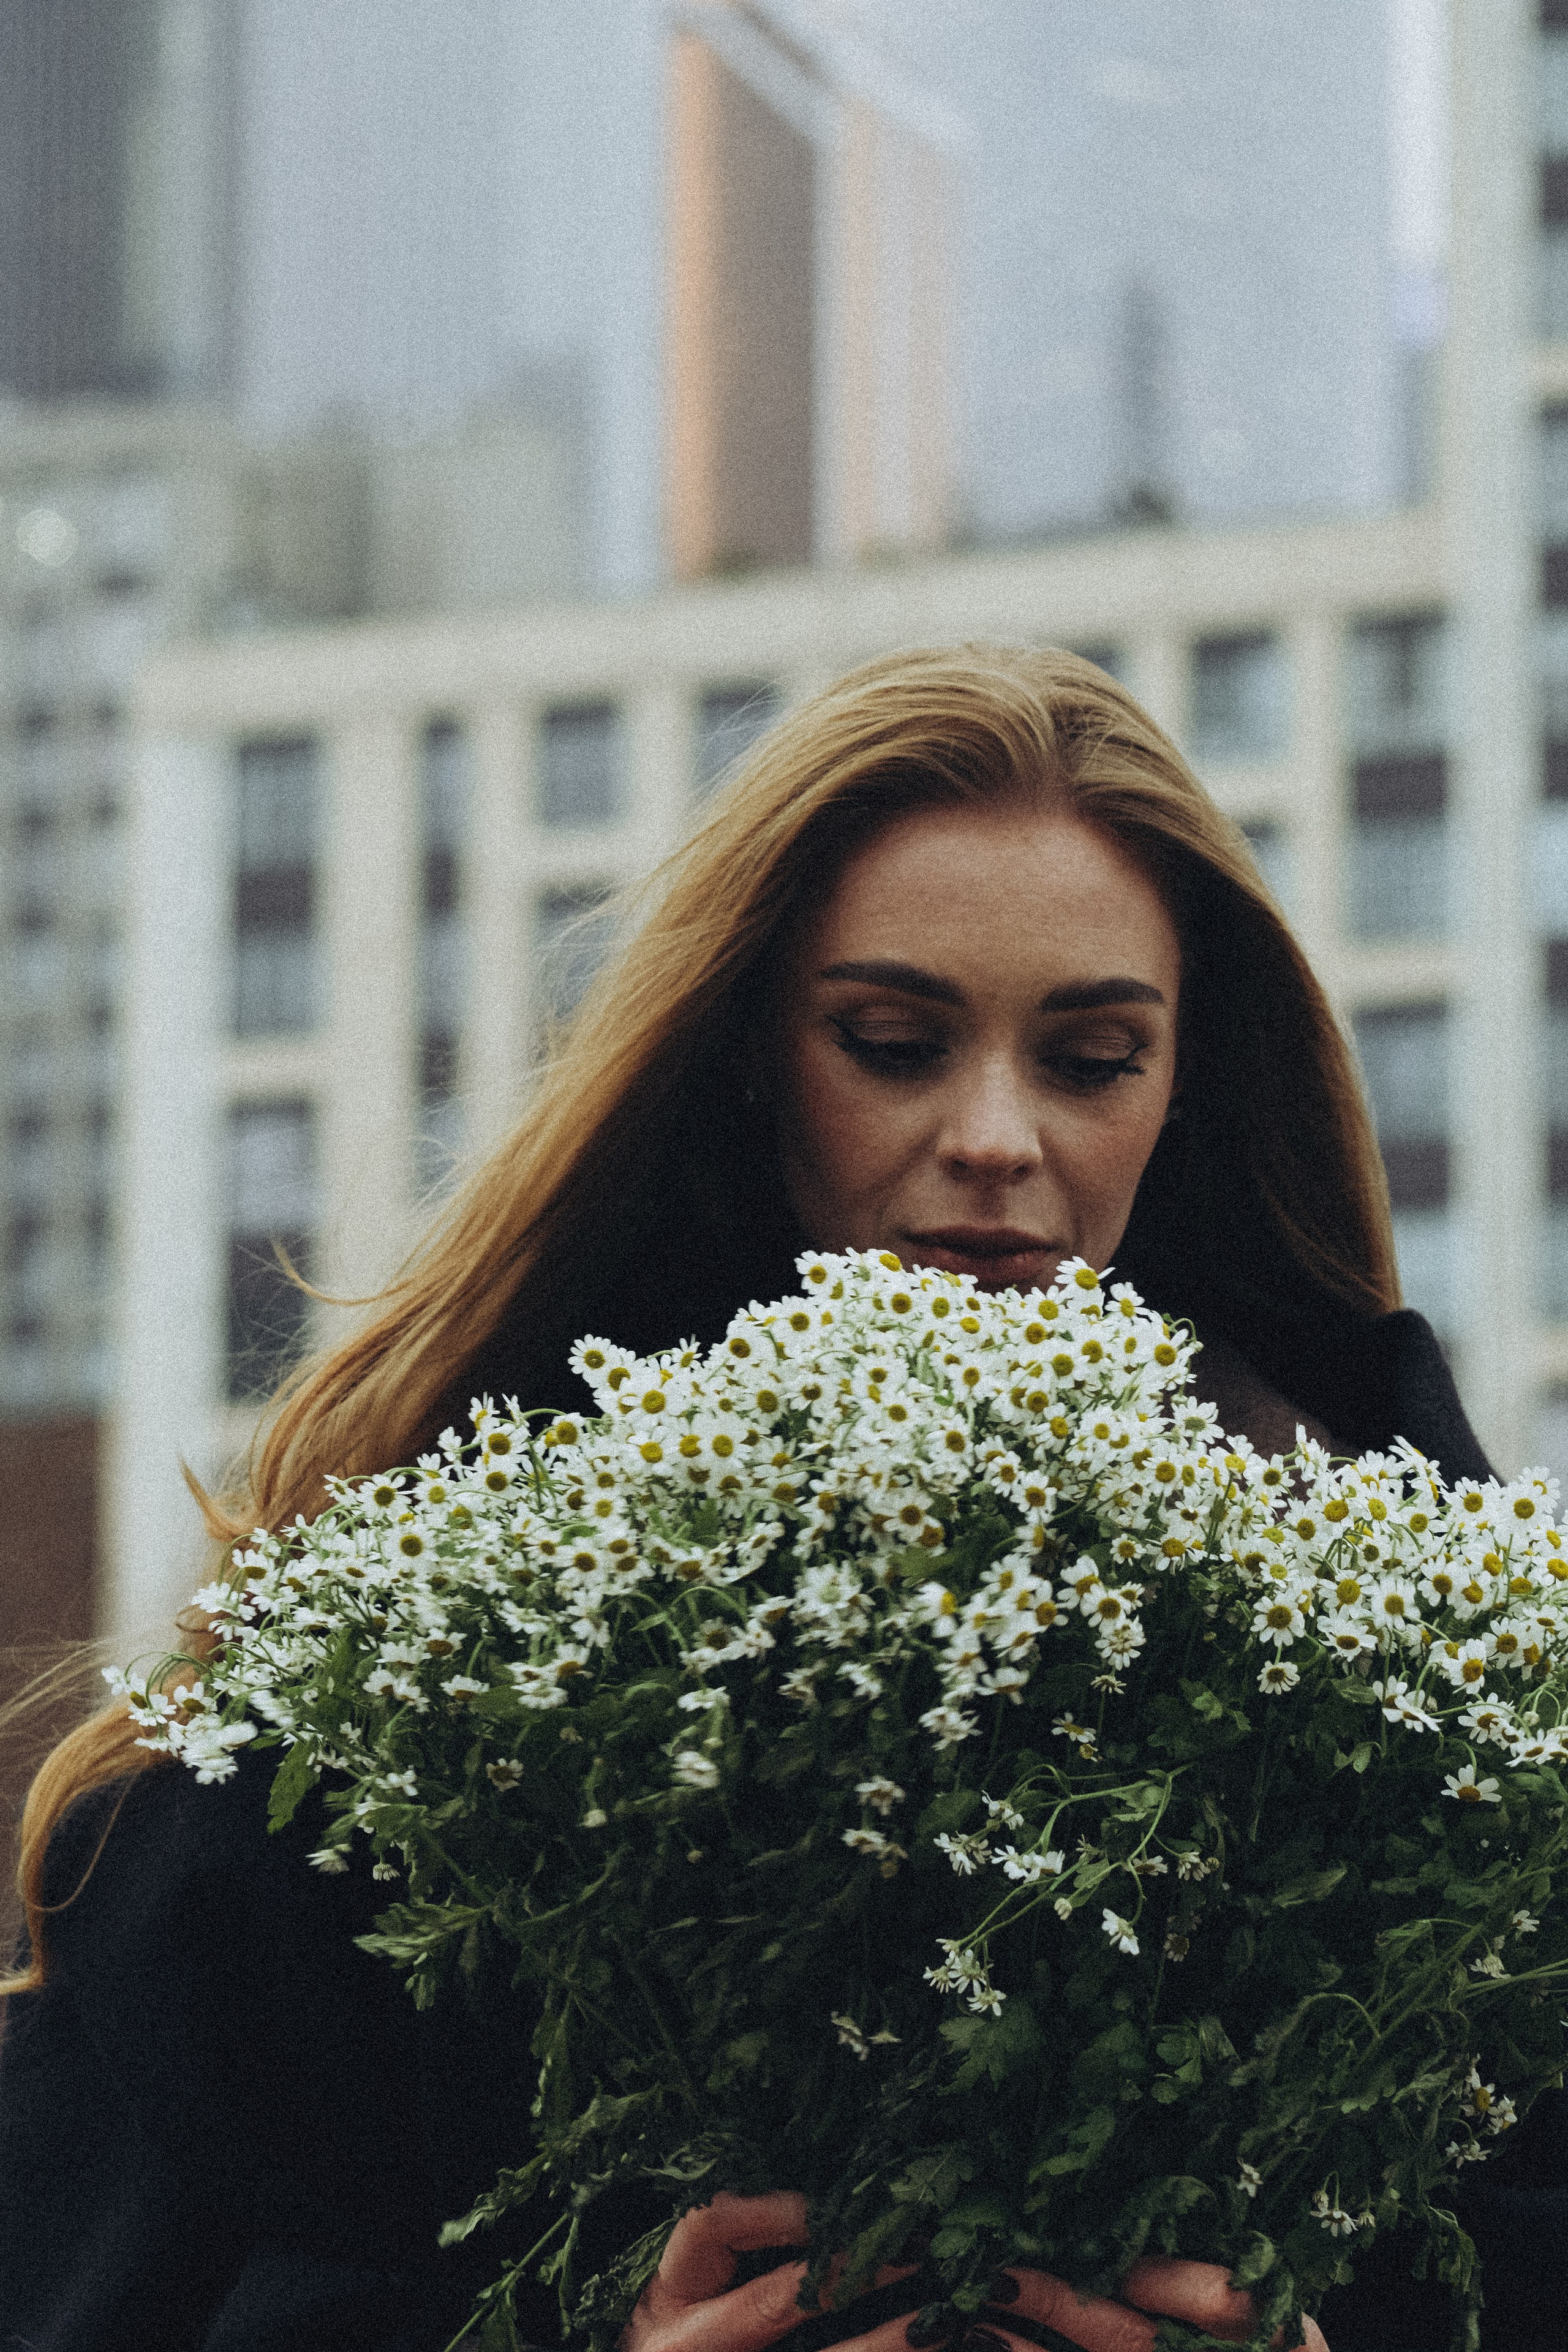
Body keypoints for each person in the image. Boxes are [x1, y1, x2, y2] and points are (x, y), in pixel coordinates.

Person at [0, 647, 1557, 2351]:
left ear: (1185, 1089)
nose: (995, 1135)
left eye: (1093, 1058)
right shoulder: (402, 1698)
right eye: (893, 1044)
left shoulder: (1437, 1731)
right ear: (747, 1055)